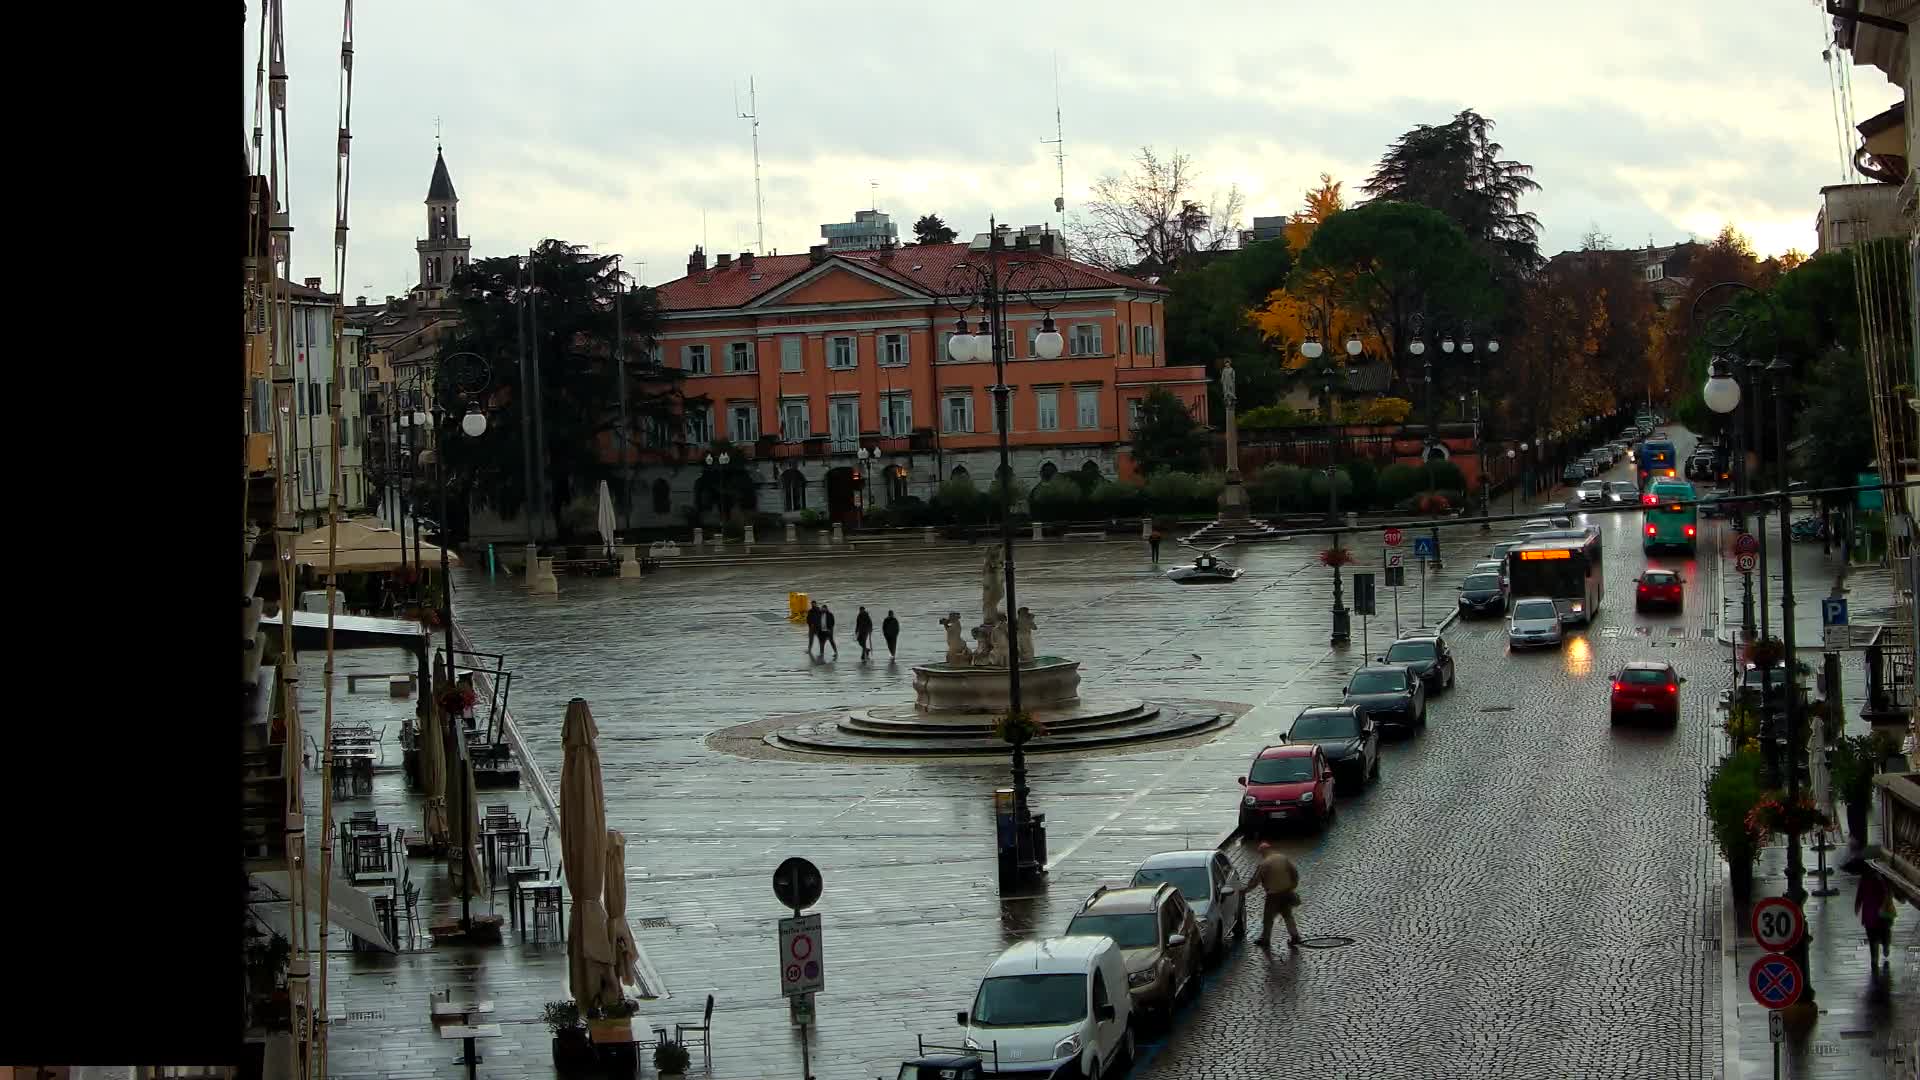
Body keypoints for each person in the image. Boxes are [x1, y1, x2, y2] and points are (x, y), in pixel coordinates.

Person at [1247, 841, 1304, 947]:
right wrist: (1292, 886)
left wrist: (1245, 890)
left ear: (1263, 852)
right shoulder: (1283, 858)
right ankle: (1295, 936)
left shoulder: (1264, 864)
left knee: (1268, 918)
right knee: (1287, 915)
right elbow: (1294, 872)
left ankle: (1265, 940)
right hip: (1286, 892)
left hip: (1273, 895)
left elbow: (1255, 881)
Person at [1856, 864, 1896, 970]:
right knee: (1879, 934)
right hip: (1878, 915)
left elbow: (1859, 895)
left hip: (1874, 915)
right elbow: (1860, 895)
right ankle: (1881, 950)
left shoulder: (1870, 880)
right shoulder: (1879, 878)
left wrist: (1857, 906)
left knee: (1874, 936)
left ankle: (1876, 956)